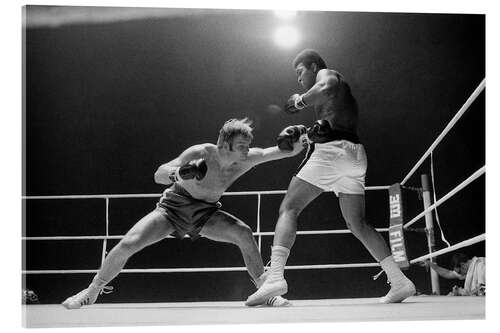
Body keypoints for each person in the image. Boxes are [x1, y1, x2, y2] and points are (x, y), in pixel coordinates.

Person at [62, 118, 307, 309]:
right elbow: (159, 174)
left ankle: (265, 292)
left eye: (247, 145)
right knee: (129, 243)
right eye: (241, 146)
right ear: (224, 144)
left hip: (206, 213)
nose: (246, 150)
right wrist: (178, 174)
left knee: (243, 232)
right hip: (173, 208)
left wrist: (297, 143)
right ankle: (92, 291)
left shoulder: (246, 159)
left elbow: (275, 152)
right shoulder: (201, 153)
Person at [246, 49, 416, 306]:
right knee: (358, 223)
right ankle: (399, 280)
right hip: (354, 156)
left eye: (300, 72)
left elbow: (326, 86)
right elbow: (331, 123)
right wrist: (306, 133)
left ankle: (275, 277)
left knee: (289, 207)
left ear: (314, 66)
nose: (299, 78)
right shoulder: (337, 103)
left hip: (333, 153)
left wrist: (300, 101)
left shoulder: (327, 74)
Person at [419, 253, 485, 296]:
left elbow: (483, 289)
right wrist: (430, 264)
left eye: (459, 272)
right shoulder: (467, 269)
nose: (459, 275)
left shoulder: (480, 265)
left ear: (463, 265)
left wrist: (463, 293)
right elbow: (447, 273)